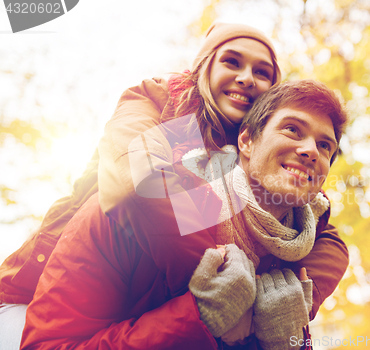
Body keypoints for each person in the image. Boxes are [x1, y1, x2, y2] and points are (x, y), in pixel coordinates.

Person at [0, 23, 348, 348]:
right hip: (34, 291)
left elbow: (322, 227)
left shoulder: (265, 166)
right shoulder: (163, 106)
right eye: (232, 62)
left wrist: (293, 312)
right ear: (204, 68)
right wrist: (221, 278)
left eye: (262, 73)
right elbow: (134, 182)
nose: (246, 78)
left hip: (131, 306)